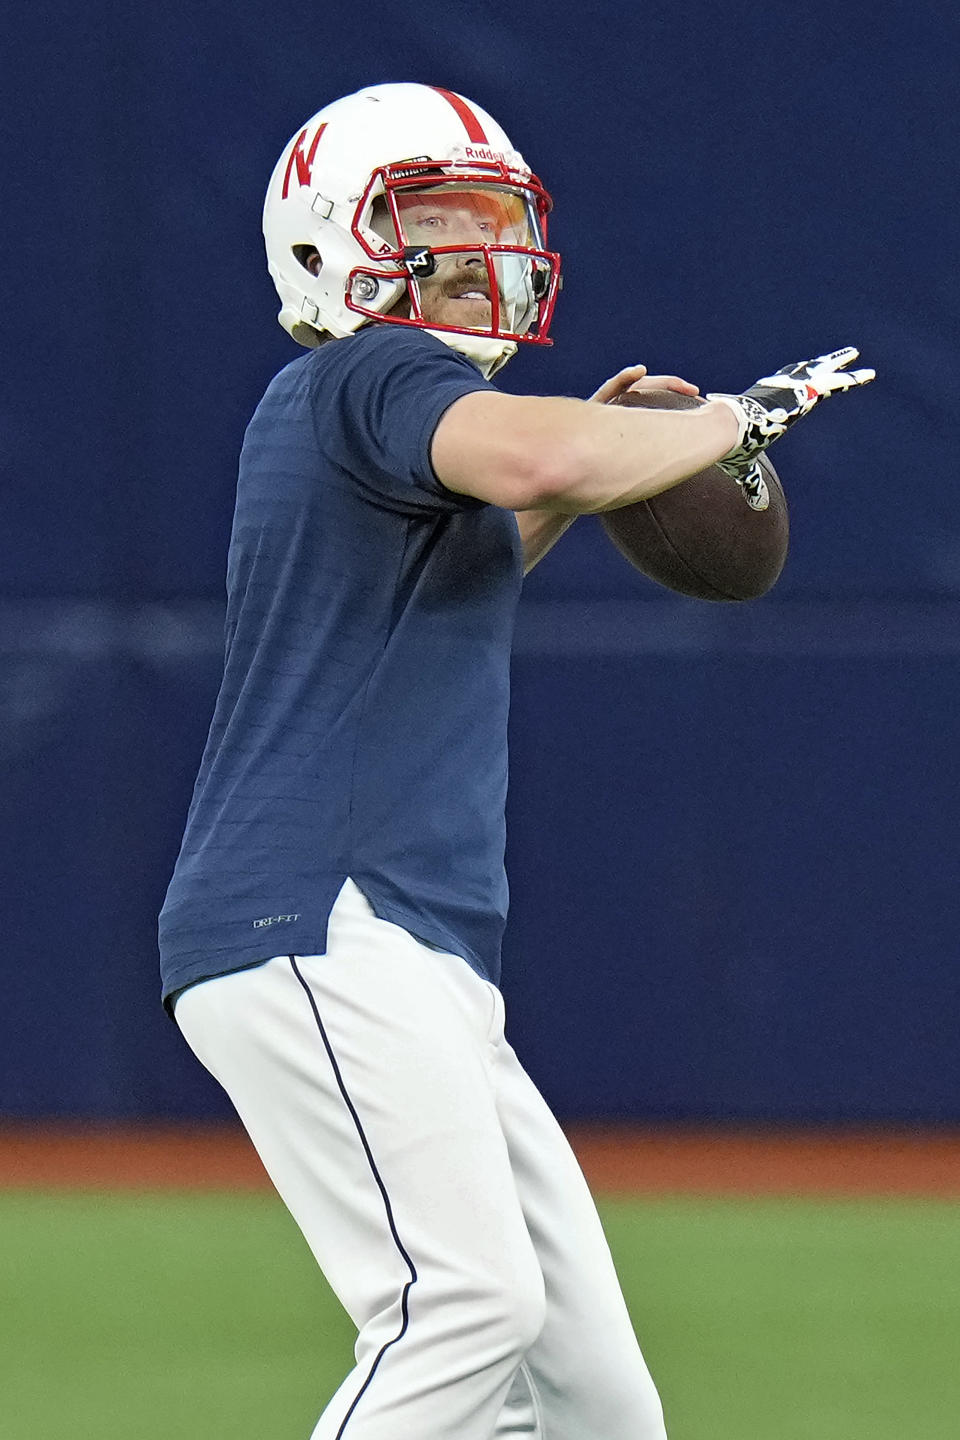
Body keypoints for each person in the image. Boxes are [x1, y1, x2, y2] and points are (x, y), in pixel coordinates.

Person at [159, 82, 873, 1440]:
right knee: (464, 1309)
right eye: (434, 214)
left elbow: (481, 542)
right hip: (322, 918)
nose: (481, 242)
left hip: (399, 939)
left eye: (494, 212)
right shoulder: (375, 372)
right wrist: (734, 417)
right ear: (330, 241)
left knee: (594, 1402)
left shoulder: (363, 421)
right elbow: (545, 450)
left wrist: (613, 456)